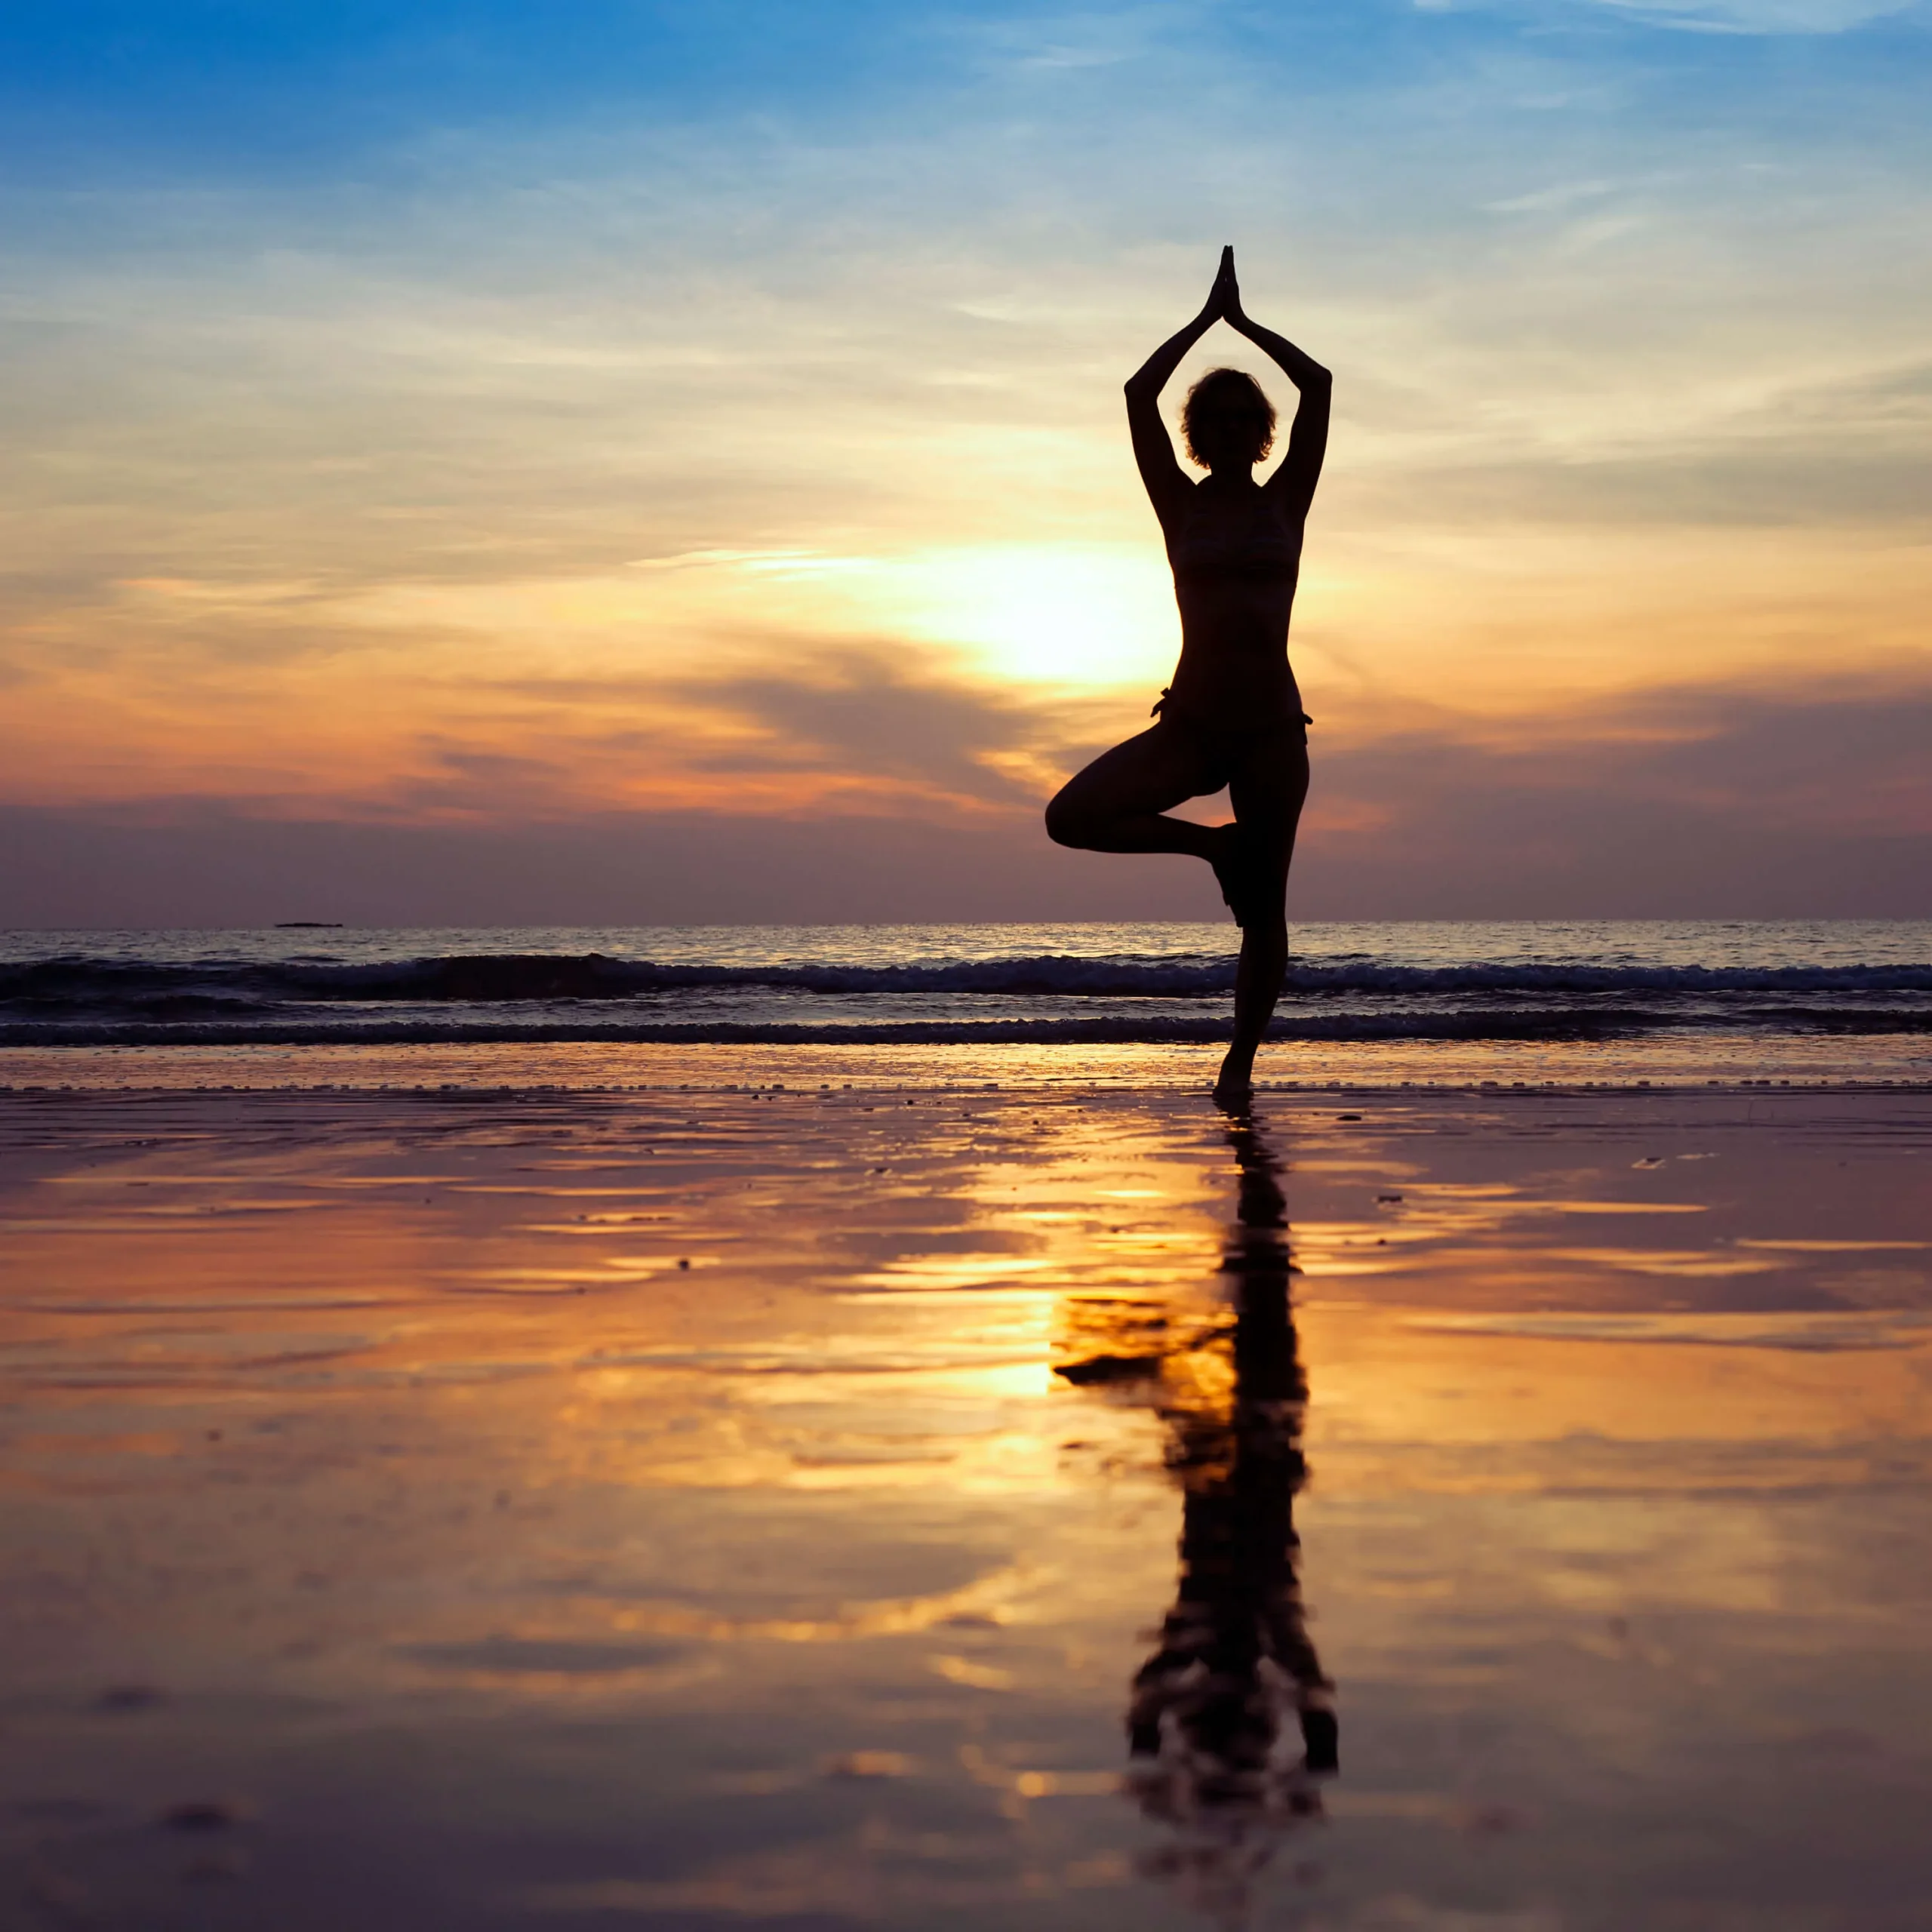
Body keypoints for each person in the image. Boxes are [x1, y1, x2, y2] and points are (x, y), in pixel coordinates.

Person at [1044, 246, 1330, 1106]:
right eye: (1224, 417)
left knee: (1266, 912)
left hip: (1273, 727)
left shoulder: (1288, 501)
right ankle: (1213, 846)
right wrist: (1202, 323)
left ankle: (1239, 1061)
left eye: (1251, 417)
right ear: (1202, 433)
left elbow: (1317, 384)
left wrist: (1245, 326)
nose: (1239, 428)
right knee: (1072, 815)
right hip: (1196, 721)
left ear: (1264, 432)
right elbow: (1138, 395)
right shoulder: (1180, 502)